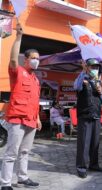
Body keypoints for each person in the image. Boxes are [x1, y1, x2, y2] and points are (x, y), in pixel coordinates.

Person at [0, 22, 41, 190]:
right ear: (26, 59)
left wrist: (38, 118)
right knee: (11, 152)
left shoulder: (35, 79)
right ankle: (5, 183)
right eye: (33, 58)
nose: (36, 61)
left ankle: (23, 177)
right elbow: (12, 59)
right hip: (17, 118)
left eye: (38, 58)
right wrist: (19, 37)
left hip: (31, 120)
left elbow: (35, 101)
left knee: (25, 152)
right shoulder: (17, 72)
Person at [74, 58, 102, 178]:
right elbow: (76, 87)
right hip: (85, 115)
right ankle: (81, 167)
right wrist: (83, 72)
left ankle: (94, 164)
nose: (95, 69)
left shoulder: (99, 82)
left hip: (96, 116)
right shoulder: (82, 79)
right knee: (84, 143)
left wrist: (101, 92)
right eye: (92, 67)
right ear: (87, 67)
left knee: (95, 142)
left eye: (97, 67)